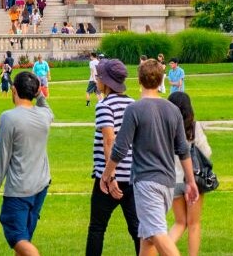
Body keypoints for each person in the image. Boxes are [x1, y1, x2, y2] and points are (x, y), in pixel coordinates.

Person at [100, 59, 198, 256]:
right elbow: (183, 149)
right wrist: (191, 181)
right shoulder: (172, 110)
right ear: (162, 80)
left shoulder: (135, 109)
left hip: (146, 182)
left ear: (139, 81)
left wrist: (106, 175)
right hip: (168, 183)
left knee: (157, 233)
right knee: (147, 237)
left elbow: (119, 148)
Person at [0, 71, 53, 256]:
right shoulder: (44, 116)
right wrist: (38, 92)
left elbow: (2, 158)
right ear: (35, 91)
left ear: (13, 90)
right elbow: (47, 107)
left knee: (18, 238)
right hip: (40, 186)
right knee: (25, 239)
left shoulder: (9, 118)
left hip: (19, 189)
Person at [86, 60, 139, 256]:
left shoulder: (104, 106)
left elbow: (109, 141)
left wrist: (110, 176)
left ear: (106, 82)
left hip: (107, 177)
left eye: (99, 76)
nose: (96, 79)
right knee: (137, 229)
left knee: (97, 228)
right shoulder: (133, 104)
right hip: (132, 175)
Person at [167, 92, 209, 256]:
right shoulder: (194, 126)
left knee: (179, 223)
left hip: (173, 179)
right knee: (193, 224)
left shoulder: (165, 127)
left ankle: (161, 248)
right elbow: (206, 151)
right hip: (194, 179)